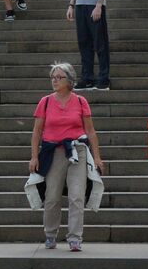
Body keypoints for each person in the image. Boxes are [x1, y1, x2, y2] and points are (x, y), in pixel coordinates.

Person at [30, 63, 104, 252]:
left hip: (77, 151)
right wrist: (33, 157)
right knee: (52, 195)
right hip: (53, 151)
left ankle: (75, 237)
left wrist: (97, 157)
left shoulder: (80, 101)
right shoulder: (45, 101)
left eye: (59, 77)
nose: (54, 80)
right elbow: (37, 131)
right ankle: (50, 233)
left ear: (69, 80)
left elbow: (91, 131)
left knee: (76, 195)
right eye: (53, 77)